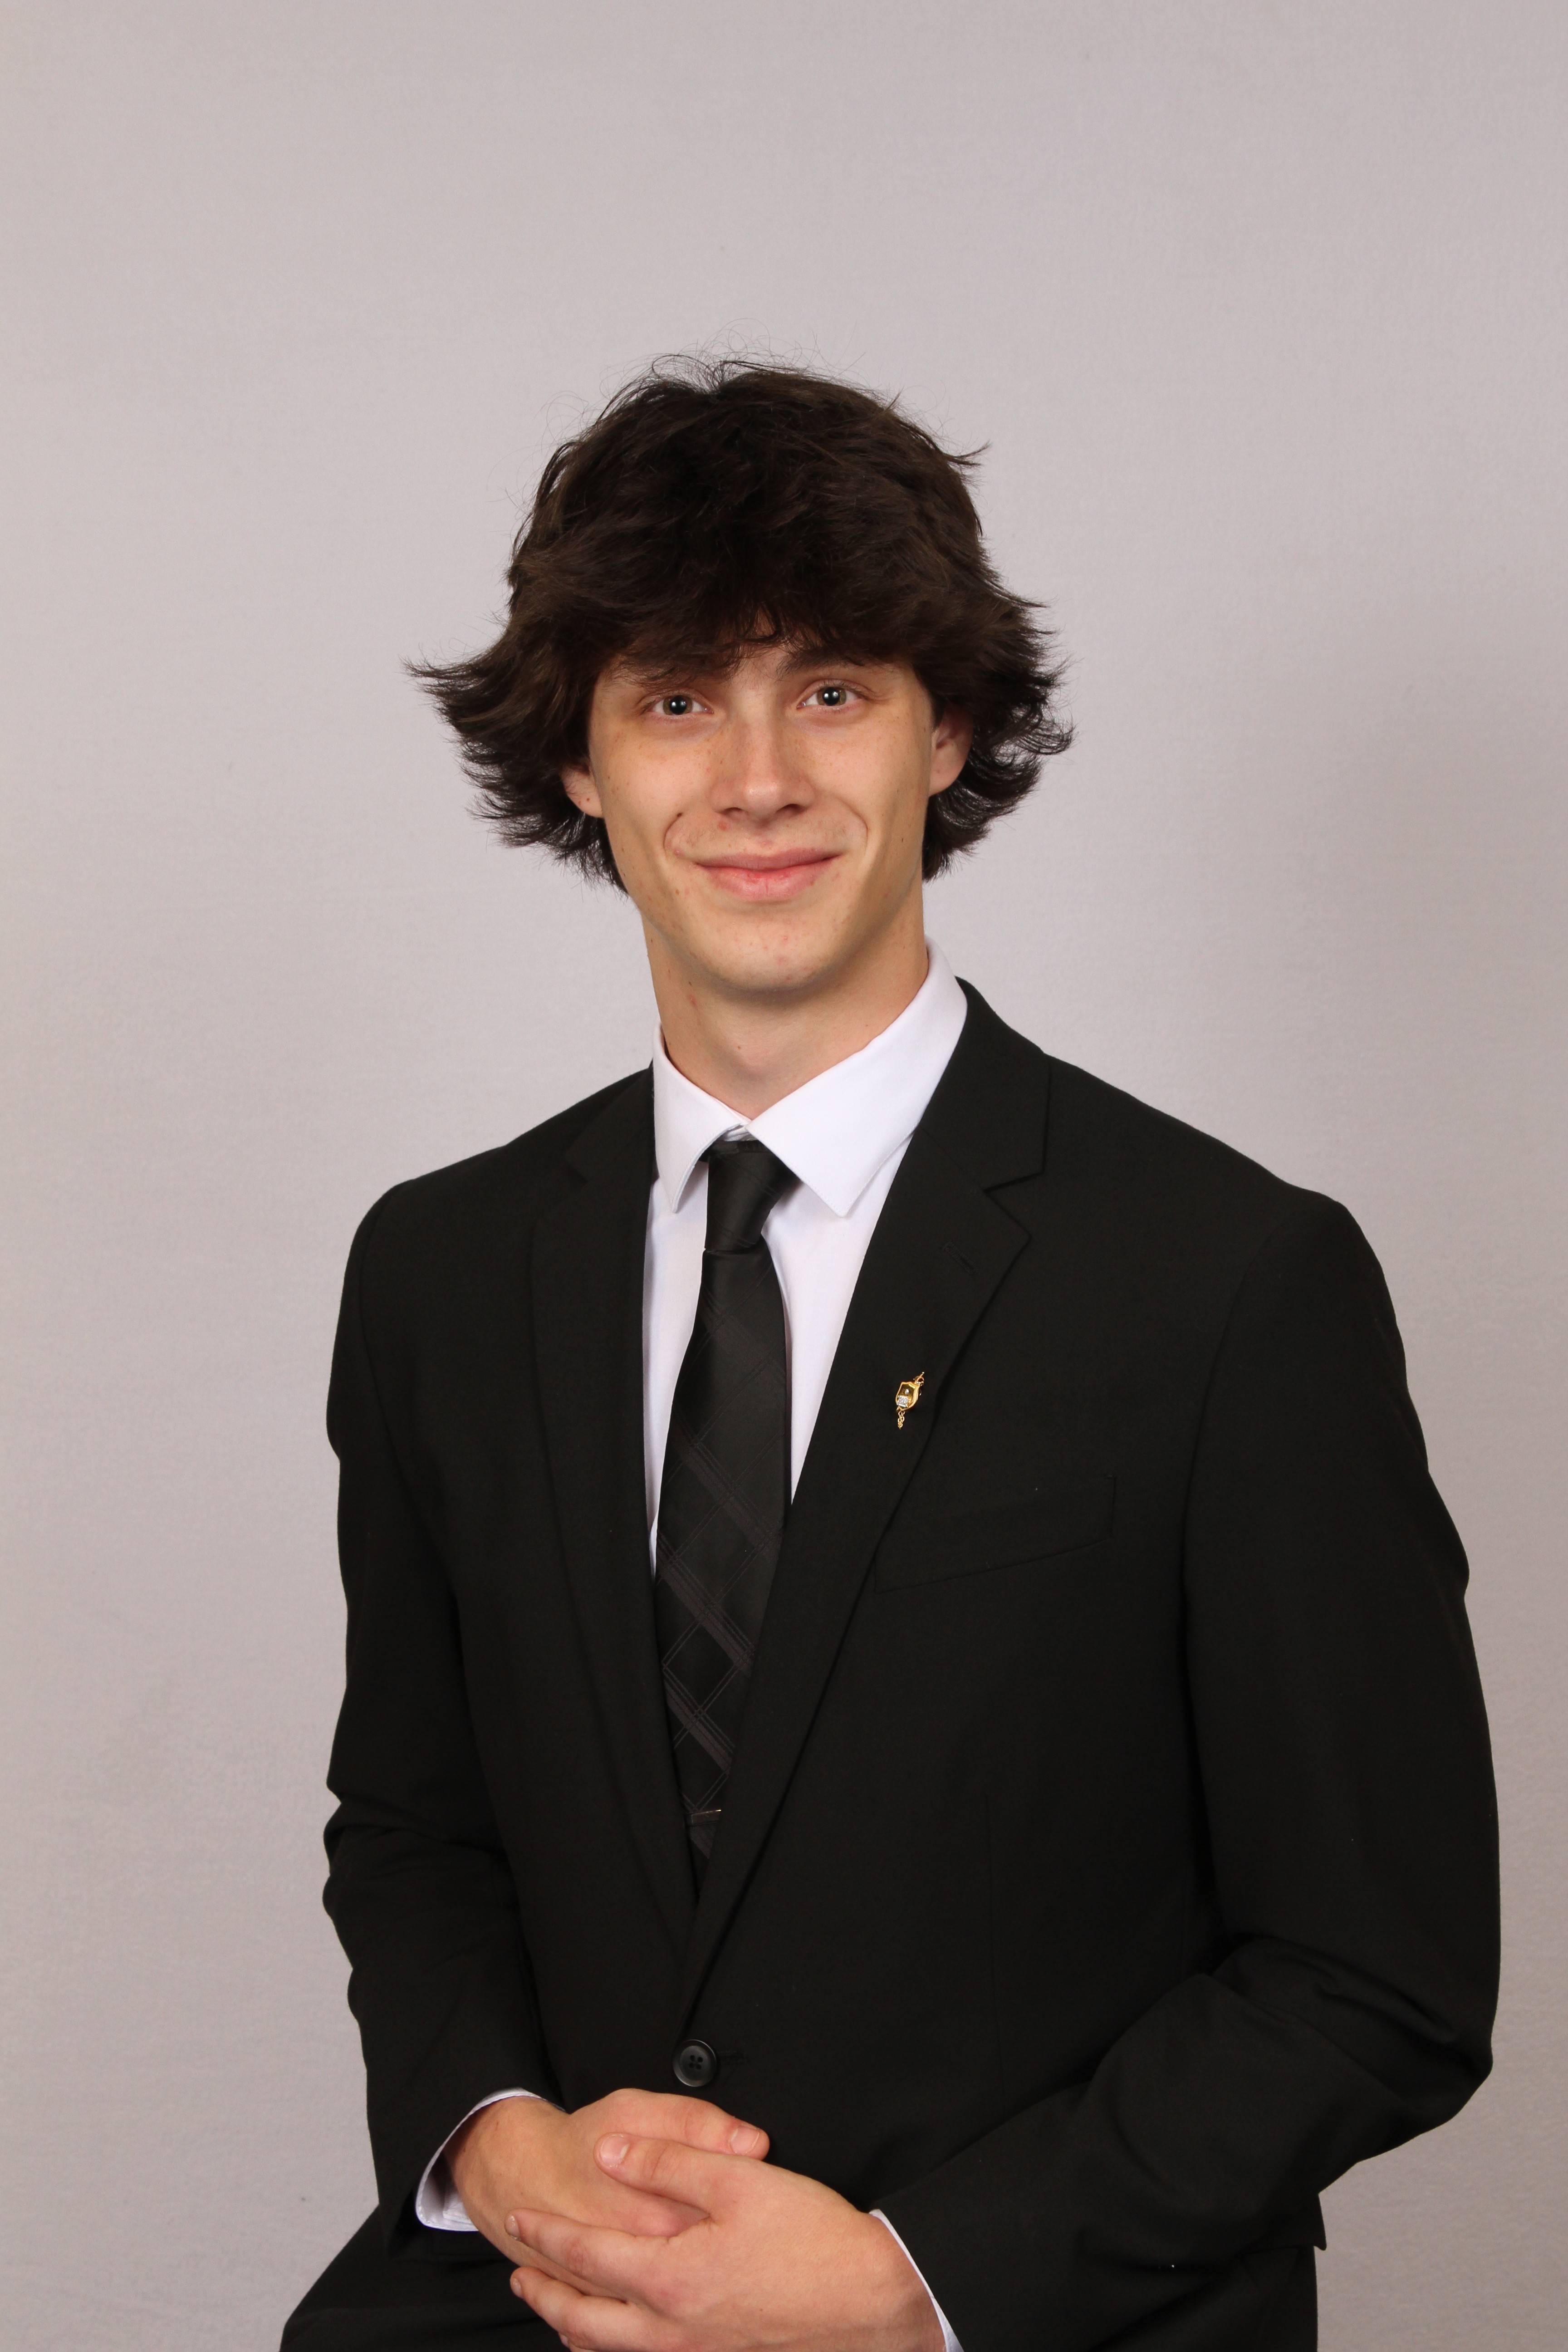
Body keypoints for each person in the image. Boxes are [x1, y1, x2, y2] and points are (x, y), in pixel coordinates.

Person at [283, 360, 1498, 2352]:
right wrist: (491, 2142)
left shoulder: (1231, 1282)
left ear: (948, 729)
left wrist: (904, 2282)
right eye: (679, 700)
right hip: (553, 2301)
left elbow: (1381, 1978)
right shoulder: (439, 1272)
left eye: (833, 689)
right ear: (580, 759)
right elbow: (414, 1825)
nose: (757, 778)